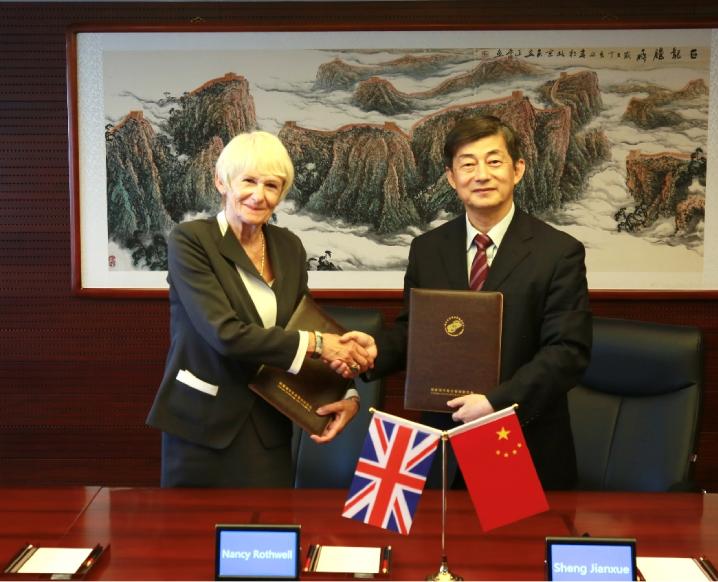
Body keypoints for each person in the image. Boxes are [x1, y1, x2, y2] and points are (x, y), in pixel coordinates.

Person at [342, 116, 592, 490]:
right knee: (436, 529)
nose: (482, 175)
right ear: (451, 177)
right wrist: (377, 349)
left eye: (494, 161)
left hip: (518, 436)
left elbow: (567, 351)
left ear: (518, 169)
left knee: (514, 531)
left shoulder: (558, 252)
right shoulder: (427, 249)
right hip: (442, 439)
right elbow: (418, 331)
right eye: (468, 164)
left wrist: (497, 402)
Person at [147, 131, 372, 488]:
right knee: (194, 526)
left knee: (269, 524)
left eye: (272, 185)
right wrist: (318, 344)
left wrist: (344, 391)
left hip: (270, 422)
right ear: (222, 182)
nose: (259, 195)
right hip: (202, 424)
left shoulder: (289, 246)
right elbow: (225, 334)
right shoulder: (191, 240)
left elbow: (304, 322)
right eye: (248, 181)